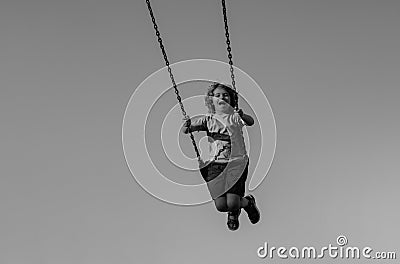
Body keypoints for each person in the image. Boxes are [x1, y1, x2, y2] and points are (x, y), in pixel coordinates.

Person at [181, 82, 260, 231]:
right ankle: (235, 210)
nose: (221, 97)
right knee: (221, 205)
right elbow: (187, 130)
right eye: (217, 95)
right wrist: (186, 124)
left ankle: (247, 203)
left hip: (236, 163)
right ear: (211, 101)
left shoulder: (234, 117)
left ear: (231, 99)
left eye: (225, 95)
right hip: (215, 165)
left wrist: (242, 115)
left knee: (233, 203)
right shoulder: (208, 119)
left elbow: (251, 122)